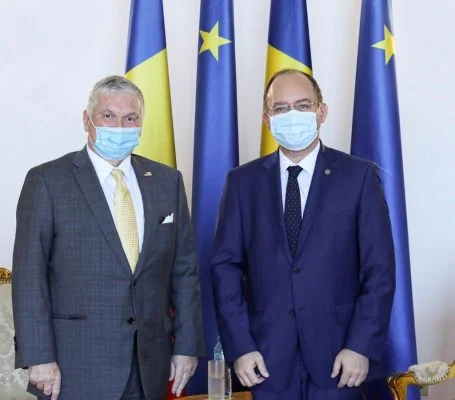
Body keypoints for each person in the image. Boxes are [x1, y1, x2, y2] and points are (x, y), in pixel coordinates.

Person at [12, 75, 204, 400]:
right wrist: (39, 357)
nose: (119, 126)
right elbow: (30, 276)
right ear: (87, 120)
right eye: (108, 116)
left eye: (130, 118)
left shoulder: (167, 181)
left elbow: (184, 271)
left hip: (149, 364)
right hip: (74, 366)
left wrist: (186, 346)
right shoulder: (47, 181)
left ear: (141, 124)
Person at [211, 69, 396, 400]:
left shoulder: (358, 177)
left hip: (340, 358)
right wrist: (240, 346)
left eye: (303, 105)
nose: (292, 115)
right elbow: (225, 269)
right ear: (267, 118)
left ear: (321, 112)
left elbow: (379, 270)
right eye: (281, 108)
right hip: (264, 360)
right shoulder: (242, 183)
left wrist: (360, 345)